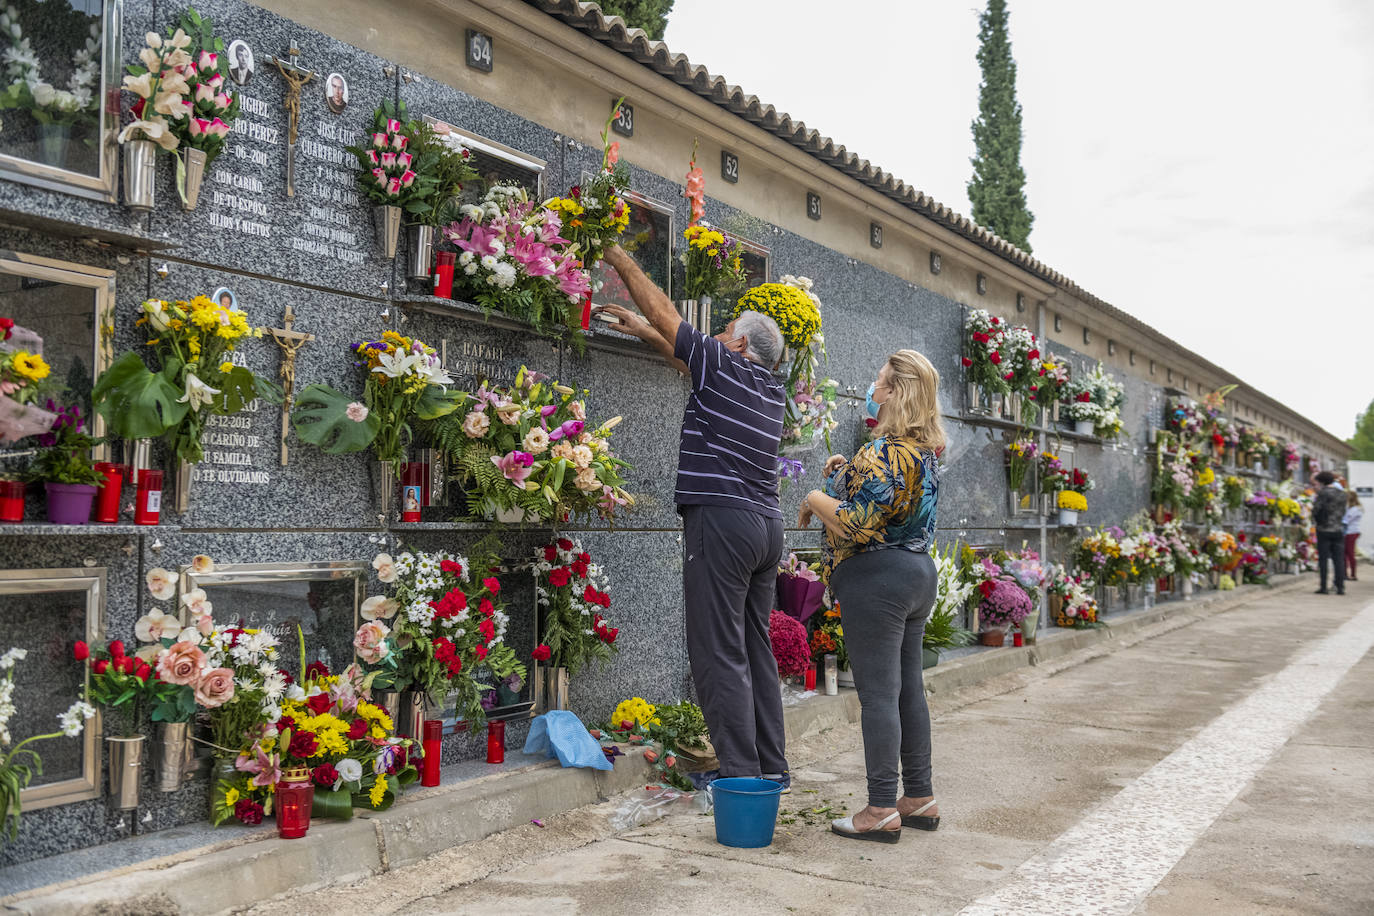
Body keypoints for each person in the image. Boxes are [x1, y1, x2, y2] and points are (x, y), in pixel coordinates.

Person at [593, 244, 790, 787]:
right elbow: (684, 355)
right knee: (754, 646)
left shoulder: (725, 364)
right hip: (766, 526)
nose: (718, 338)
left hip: (722, 522)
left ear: (740, 343)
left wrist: (620, 258)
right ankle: (771, 767)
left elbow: (671, 319)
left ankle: (740, 774)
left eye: (725, 331)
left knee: (717, 650)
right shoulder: (769, 389)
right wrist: (644, 333)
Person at [798, 350, 943, 844]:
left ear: (896, 393)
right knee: (908, 691)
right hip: (918, 575)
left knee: (879, 695)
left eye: (880, 382)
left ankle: (881, 807)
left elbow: (857, 524)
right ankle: (918, 797)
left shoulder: (881, 452)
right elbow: (891, 506)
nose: (872, 390)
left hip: (878, 581)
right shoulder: (924, 452)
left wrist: (813, 498)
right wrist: (842, 475)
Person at [1312, 471, 1346, 595]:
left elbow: (1316, 509)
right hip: (1338, 528)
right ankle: (1340, 586)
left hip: (1324, 529)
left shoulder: (1322, 493)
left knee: (1323, 559)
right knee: (1338, 559)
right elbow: (1343, 511)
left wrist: (1316, 520)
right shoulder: (1342, 494)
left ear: (1322, 482)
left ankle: (1323, 586)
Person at [1344, 489, 1362, 582]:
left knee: (1350, 553)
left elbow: (1347, 520)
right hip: (1348, 532)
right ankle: (1345, 573)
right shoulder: (1349, 508)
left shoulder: (1355, 509)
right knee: (1345, 553)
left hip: (1351, 532)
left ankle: (1353, 574)